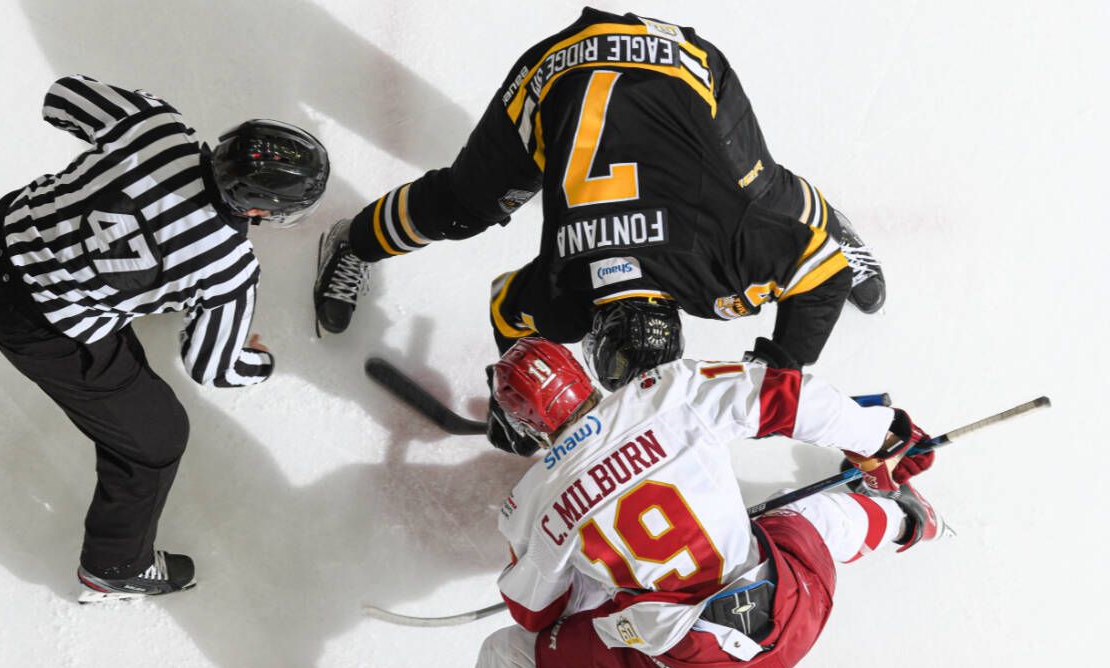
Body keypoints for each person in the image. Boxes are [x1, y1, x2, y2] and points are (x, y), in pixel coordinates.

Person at [340, 337, 940, 668]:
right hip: (798, 607)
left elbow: (535, 613)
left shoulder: (534, 503)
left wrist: (596, 571)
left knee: (505, 666)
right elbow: (789, 397)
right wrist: (881, 435)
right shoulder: (667, 389)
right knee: (803, 521)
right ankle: (907, 519)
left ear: (526, 425)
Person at [314, 8, 885, 396]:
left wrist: (778, 377)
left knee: (759, 194)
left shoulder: (712, 267)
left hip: (671, 65)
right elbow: (506, 307)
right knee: (463, 203)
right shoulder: (567, 293)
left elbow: (821, 273)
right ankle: (354, 243)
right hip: (570, 69)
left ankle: (832, 227)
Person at [0, 75, 329, 602]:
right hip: (37, 325)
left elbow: (62, 96)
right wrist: (261, 360)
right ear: (256, 210)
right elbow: (213, 368)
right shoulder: (228, 270)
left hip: (2, 233)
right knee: (158, 441)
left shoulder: (156, 128)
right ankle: (113, 569)